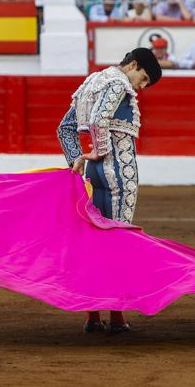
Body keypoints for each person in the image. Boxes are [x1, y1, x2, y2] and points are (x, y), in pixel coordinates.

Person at [57, 47, 162, 334]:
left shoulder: (92, 82)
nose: (140, 88)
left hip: (94, 175)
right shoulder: (118, 82)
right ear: (134, 65)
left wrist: (77, 161)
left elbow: (64, 129)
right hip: (119, 174)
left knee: (94, 241)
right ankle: (116, 317)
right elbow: (98, 120)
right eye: (143, 79)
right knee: (118, 242)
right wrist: (98, 153)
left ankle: (93, 317)